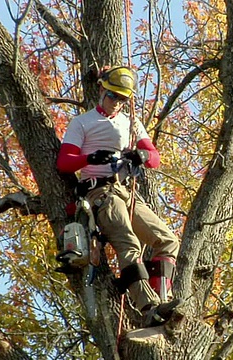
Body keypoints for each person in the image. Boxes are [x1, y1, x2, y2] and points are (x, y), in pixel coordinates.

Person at [56, 66, 182, 327]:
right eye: (113, 96)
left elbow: (154, 157)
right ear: (101, 89)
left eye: (123, 99)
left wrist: (142, 156)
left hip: (125, 190)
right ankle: (149, 305)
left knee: (168, 240)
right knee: (129, 243)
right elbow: (64, 162)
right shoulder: (83, 122)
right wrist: (89, 157)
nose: (117, 103)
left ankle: (163, 297)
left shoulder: (131, 122)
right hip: (100, 191)